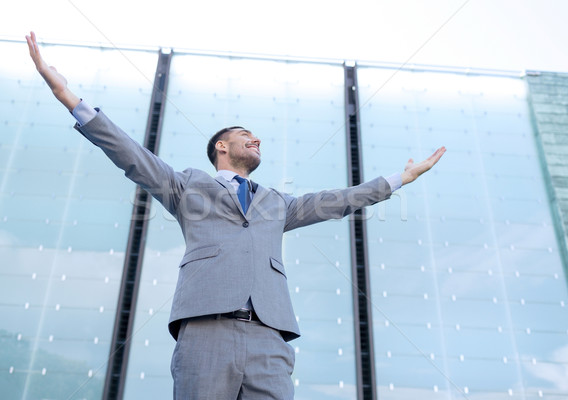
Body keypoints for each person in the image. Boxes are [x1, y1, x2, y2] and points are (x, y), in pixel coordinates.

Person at [26, 31, 446, 399]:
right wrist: (68, 97)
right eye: (246, 135)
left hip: (270, 335)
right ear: (221, 148)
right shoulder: (186, 186)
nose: (256, 139)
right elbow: (130, 154)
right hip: (206, 329)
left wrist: (399, 179)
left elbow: (338, 199)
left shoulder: (277, 203)